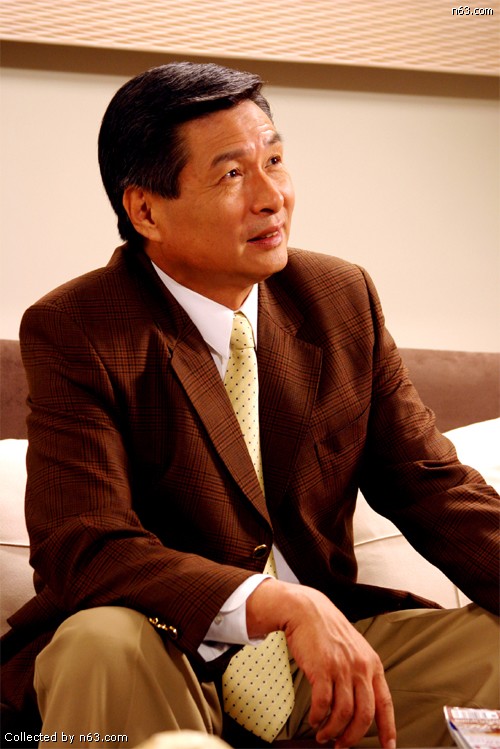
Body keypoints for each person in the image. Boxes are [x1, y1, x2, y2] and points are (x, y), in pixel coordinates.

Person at [1, 62, 498, 749]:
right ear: (145, 211)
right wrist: (271, 603)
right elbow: (84, 546)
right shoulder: (78, 328)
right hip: (168, 660)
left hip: (329, 665)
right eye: (233, 174)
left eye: (275, 161)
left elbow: (432, 486)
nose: (272, 197)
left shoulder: (340, 298)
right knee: (101, 640)